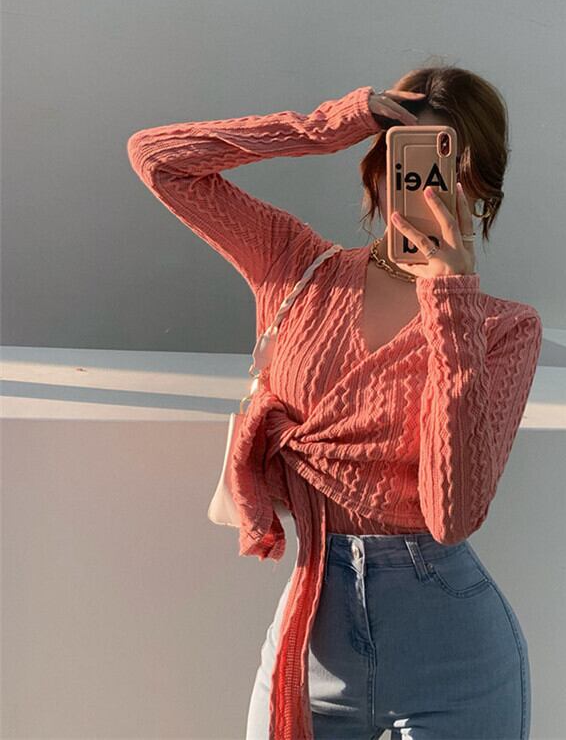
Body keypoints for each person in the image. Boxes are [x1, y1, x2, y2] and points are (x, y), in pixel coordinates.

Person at [127, 64, 542, 740]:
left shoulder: (503, 327)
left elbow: (452, 515)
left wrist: (450, 300)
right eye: (412, 161)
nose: (429, 187)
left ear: (482, 187)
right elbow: (158, 159)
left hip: (455, 662)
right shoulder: (295, 264)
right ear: (378, 168)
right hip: (312, 648)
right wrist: (331, 125)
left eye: (450, 166)